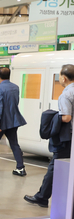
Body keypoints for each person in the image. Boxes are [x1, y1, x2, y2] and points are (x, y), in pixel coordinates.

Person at [24, 64, 74, 208]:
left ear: (63, 78)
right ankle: (43, 196)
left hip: (67, 138)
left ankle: (42, 197)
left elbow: (66, 118)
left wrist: (53, 117)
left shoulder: (66, 94)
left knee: (55, 166)